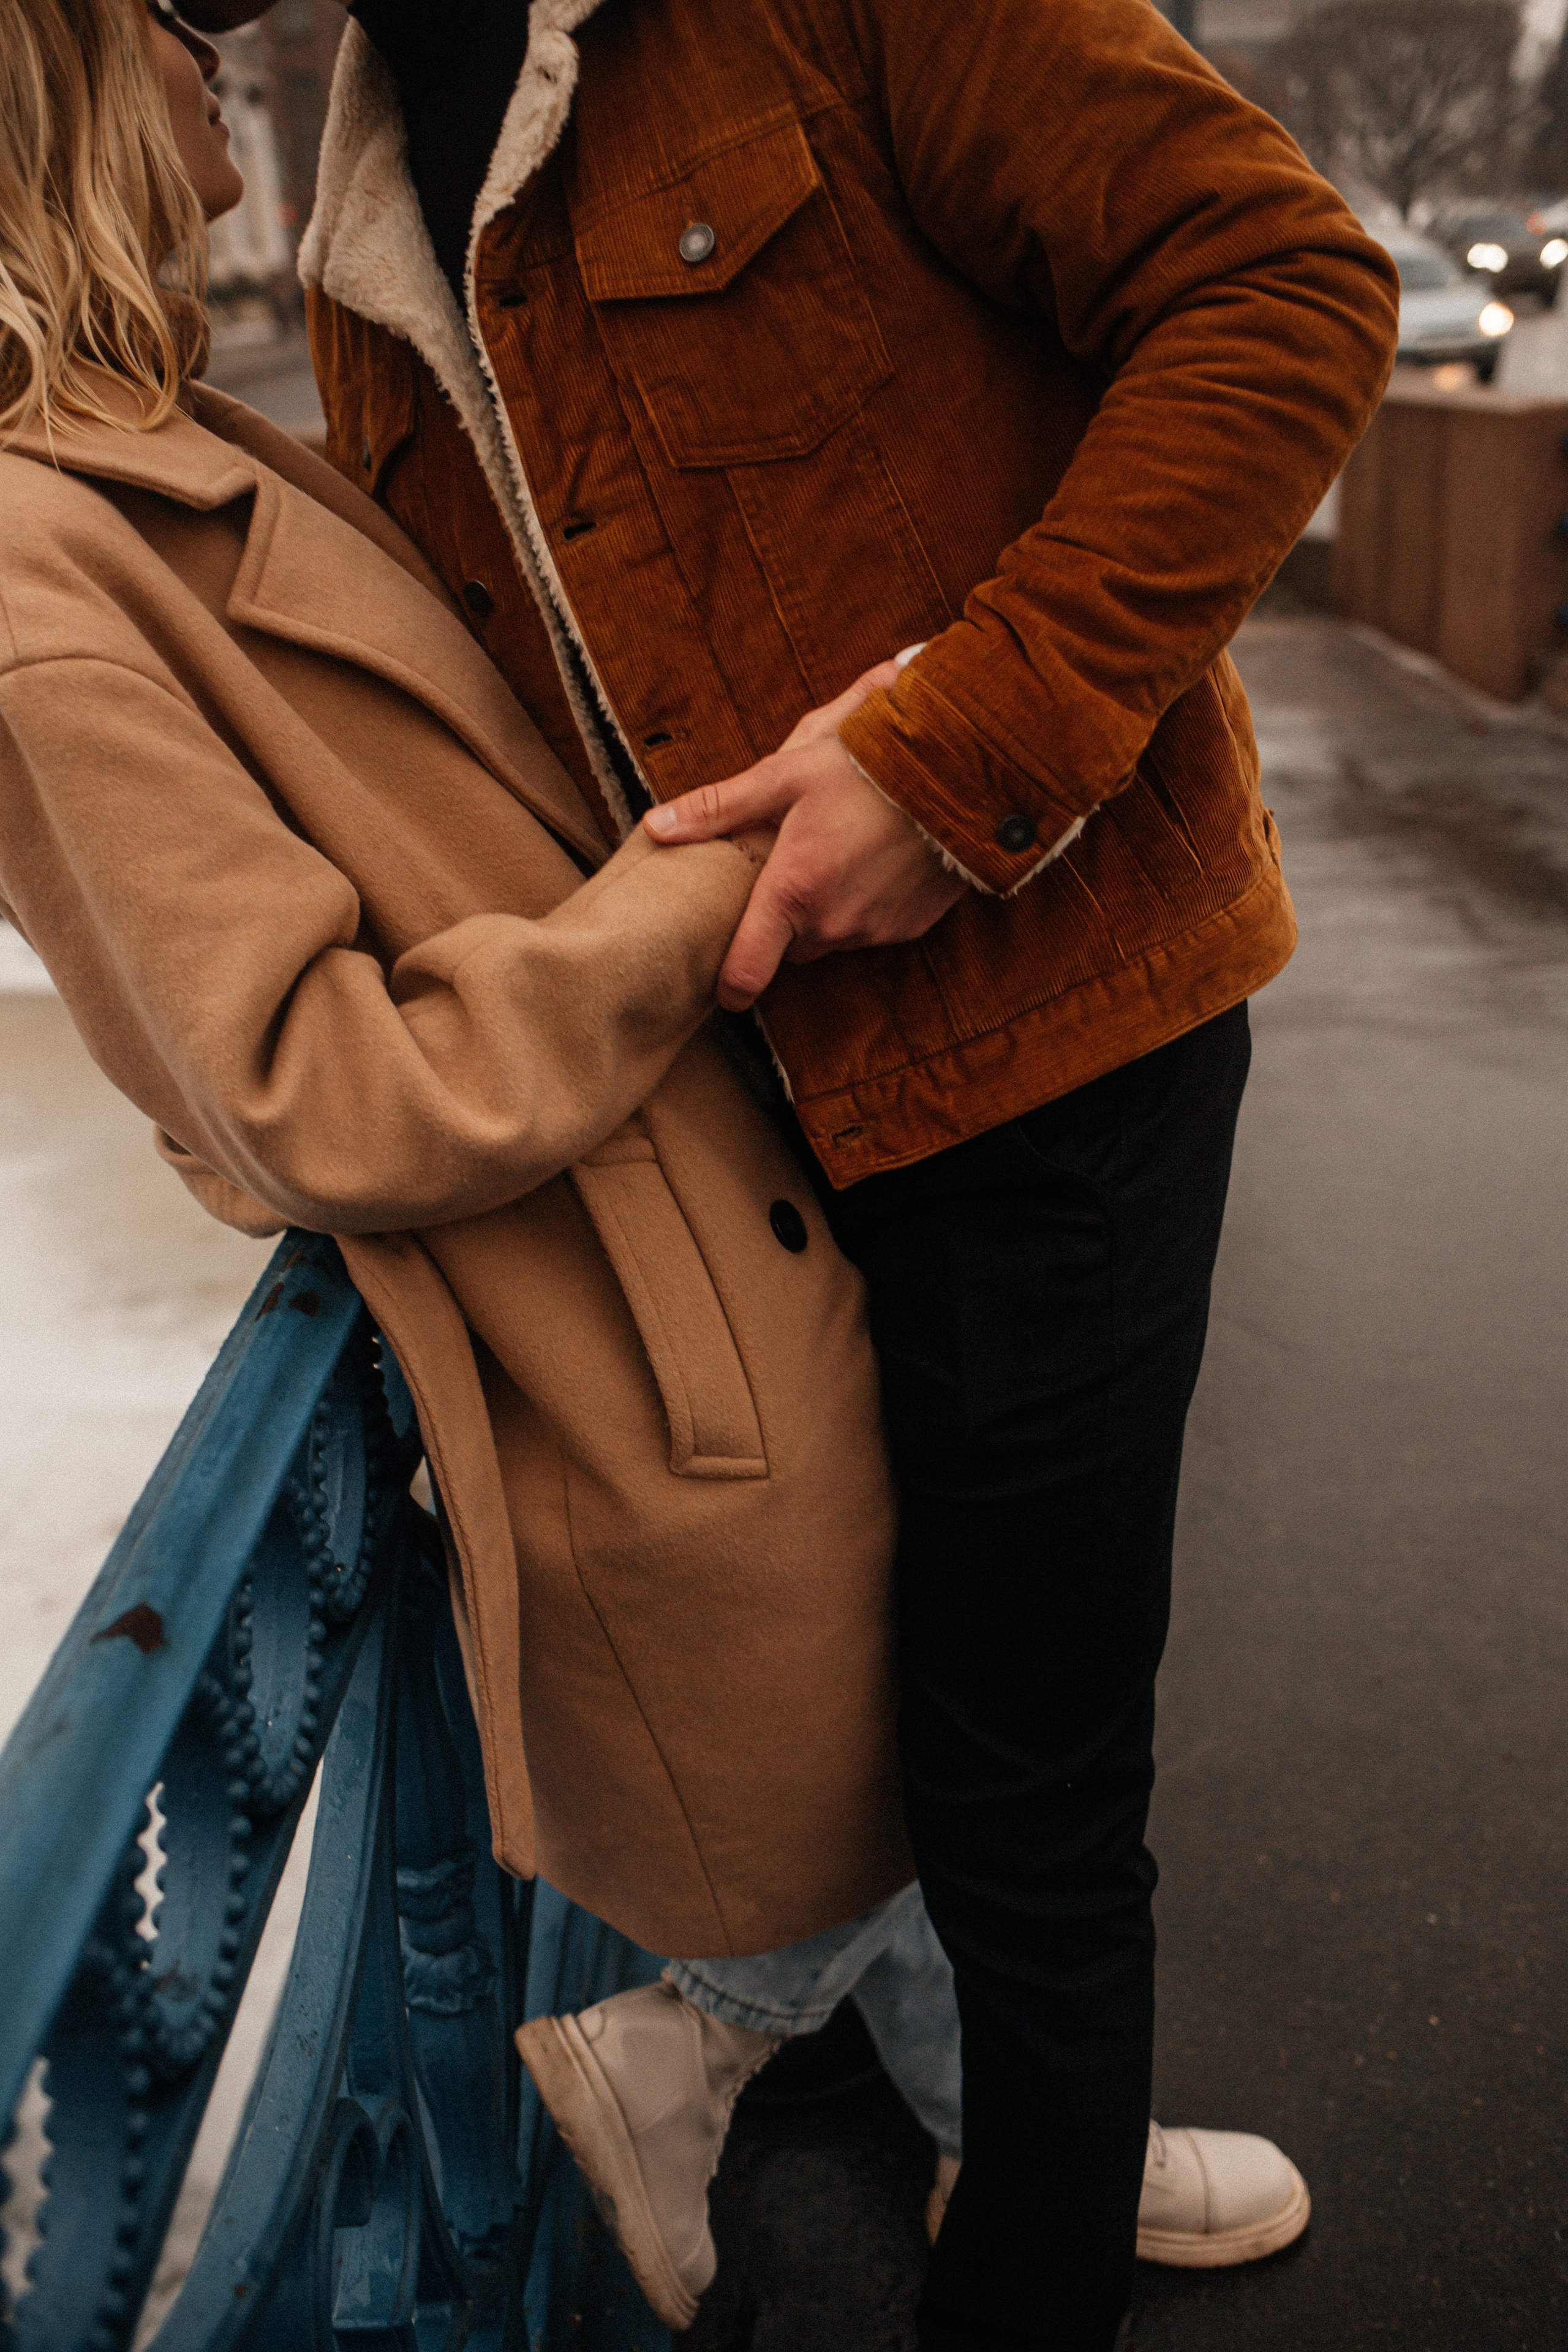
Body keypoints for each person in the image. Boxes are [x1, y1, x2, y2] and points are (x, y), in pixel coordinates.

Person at [172, 2, 1403, 2343]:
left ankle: (1019, 2236)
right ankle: (804, 2063)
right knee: (838, 1681)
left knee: (1031, 1799)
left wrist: (960, 759)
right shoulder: (354, 201)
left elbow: (1290, 287)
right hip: (726, 1108)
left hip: (1060, 1036)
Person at [0, 0, 923, 2084]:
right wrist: (711, 886)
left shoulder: (150, 441)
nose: (215, 36)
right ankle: (835, 2115)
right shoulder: (28, 564)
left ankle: (970, 2131)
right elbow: (308, 1088)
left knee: (945, 1748)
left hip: (688, 1221)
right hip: (633, 1301)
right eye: (167, 14)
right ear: (43, 77)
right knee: (898, 1774)